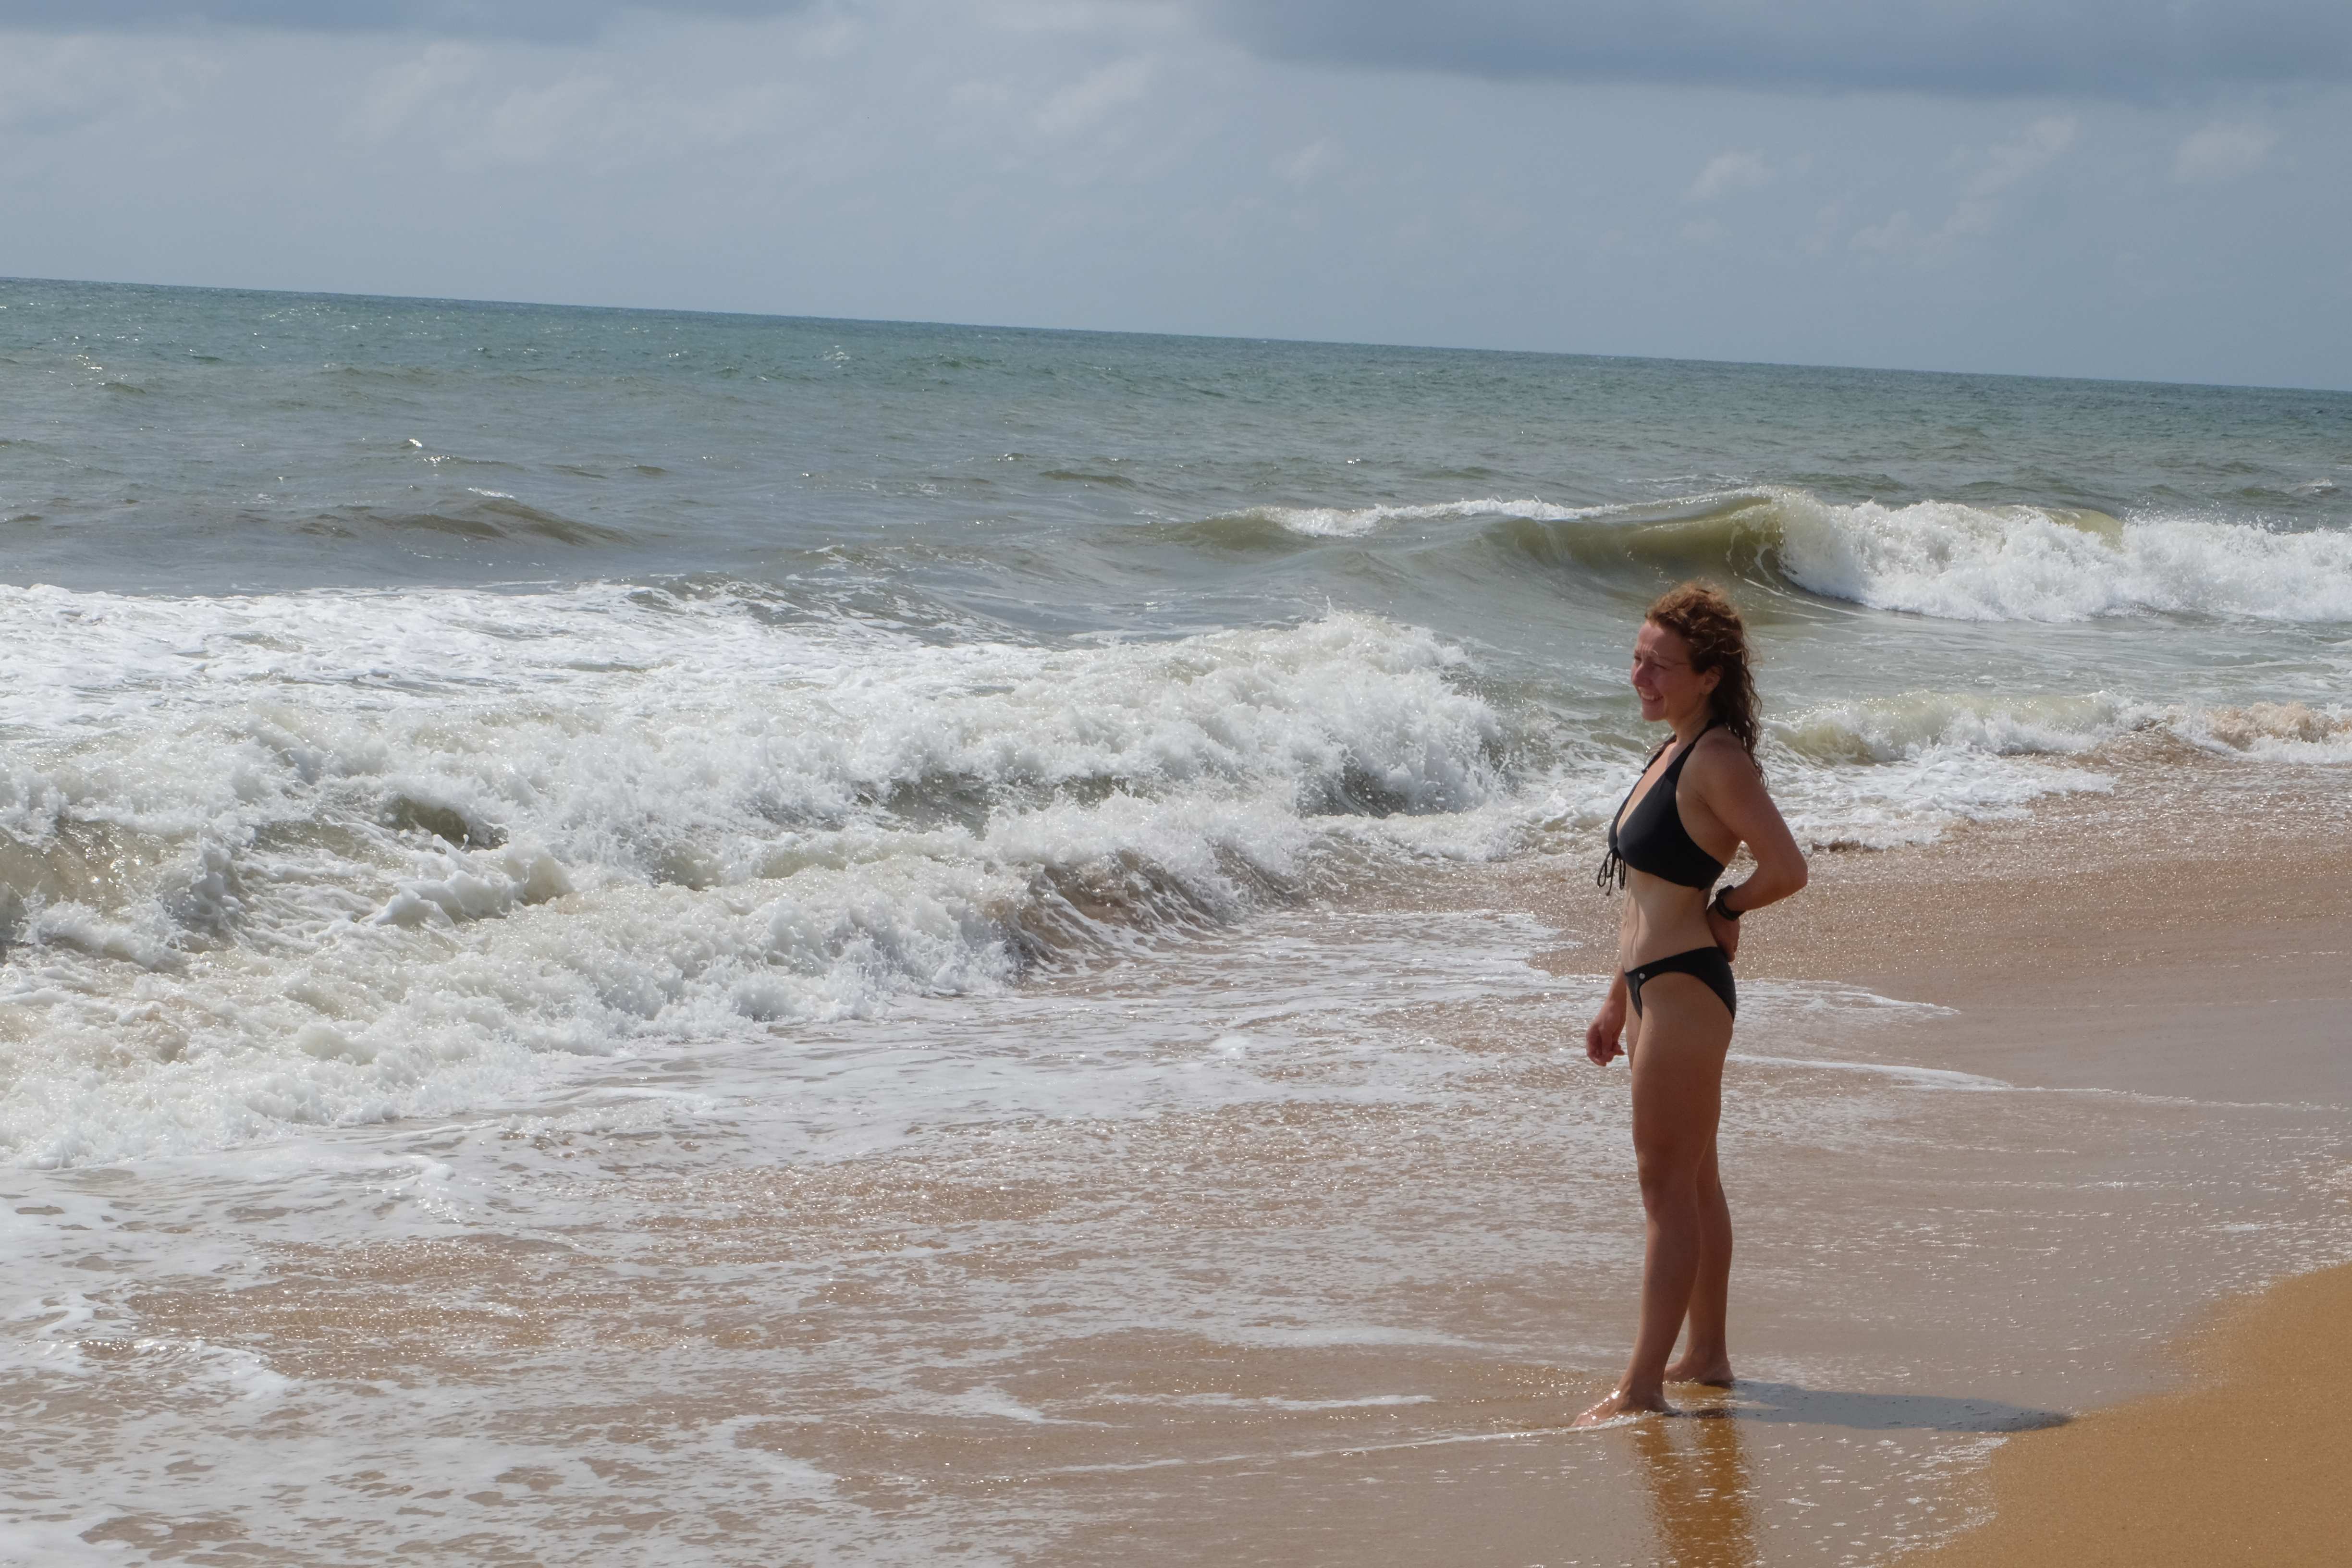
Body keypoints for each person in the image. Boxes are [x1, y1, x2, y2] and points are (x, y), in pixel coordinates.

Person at [1573, 581, 1808, 1429]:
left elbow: (1787, 868)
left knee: (1666, 1187)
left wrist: (1728, 909)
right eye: (1638, 658)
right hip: (1648, 991)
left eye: (1659, 665)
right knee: (1696, 1179)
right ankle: (1706, 1353)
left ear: (1708, 676)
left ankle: (1642, 1386)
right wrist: (1614, 999)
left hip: (1686, 990)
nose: (1639, 676)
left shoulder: (1717, 760)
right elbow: (1641, 897)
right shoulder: (1671, 748)